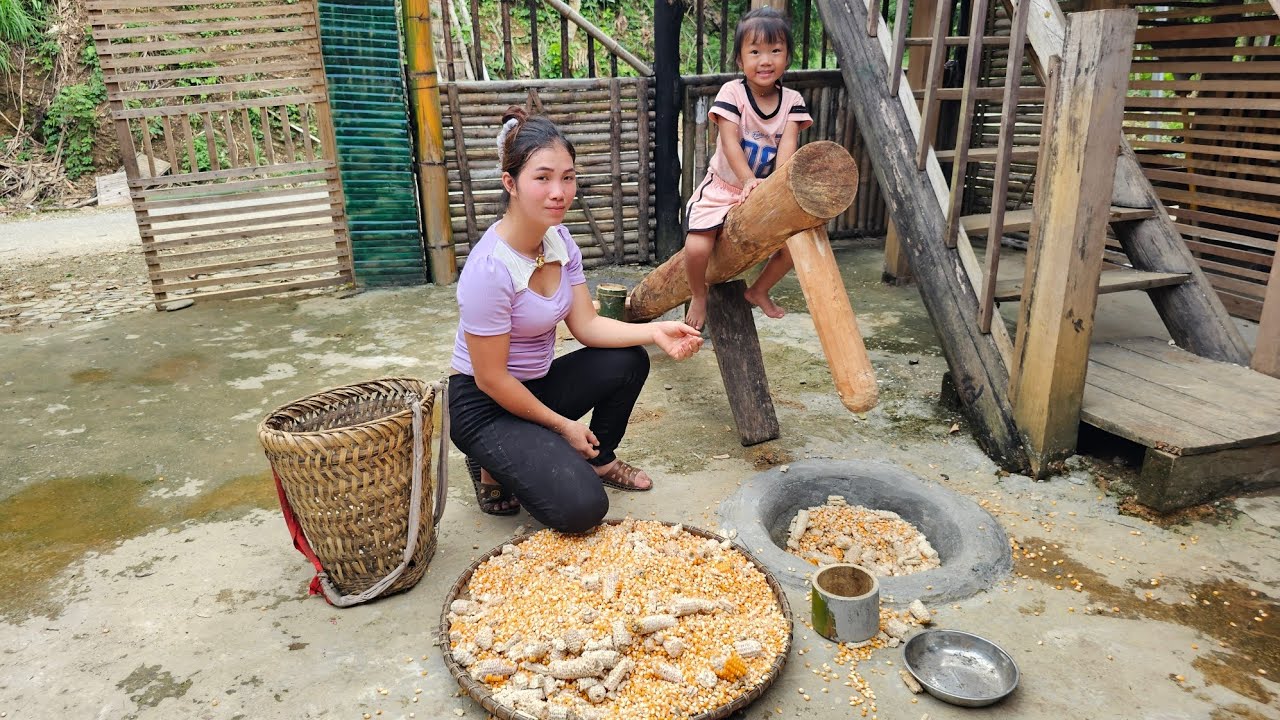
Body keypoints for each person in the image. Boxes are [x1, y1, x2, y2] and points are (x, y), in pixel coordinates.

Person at [448, 106, 703, 534]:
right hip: (484, 405)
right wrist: (564, 427)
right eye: (543, 178)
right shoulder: (489, 269)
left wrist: (655, 331)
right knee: (582, 509)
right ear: (510, 183)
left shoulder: (560, 240)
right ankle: (492, 458)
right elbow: (491, 379)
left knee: (628, 359)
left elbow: (586, 325)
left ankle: (599, 460)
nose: (559, 191)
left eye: (567, 177)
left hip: (537, 386)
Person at [682, 7, 813, 331]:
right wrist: (746, 180)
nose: (765, 60)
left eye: (775, 50)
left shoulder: (793, 100)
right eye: (755, 51)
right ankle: (699, 294)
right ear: (740, 60)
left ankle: (759, 289)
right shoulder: (733, 93)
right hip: (724, 187)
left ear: (787, 57)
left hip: (765, 192)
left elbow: (787, 151)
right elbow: (729, 142)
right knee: (697, 246)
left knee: (793, 249)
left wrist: (774, 190)